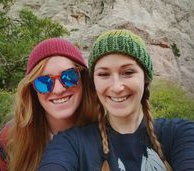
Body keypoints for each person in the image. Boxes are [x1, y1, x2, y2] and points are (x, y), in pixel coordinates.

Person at [38, 29, 194, 171]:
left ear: (145, 78)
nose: (117, 87)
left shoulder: (181, 134)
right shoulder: (70, 143)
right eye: (104, 74)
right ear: (94, 83)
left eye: (128, 72)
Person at [0, 37, 97, 171]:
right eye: (44, 82)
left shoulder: (108, 130)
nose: (58, 89)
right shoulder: (10, 138)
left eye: (69, 76)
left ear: (83, 79)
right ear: (32, 90)